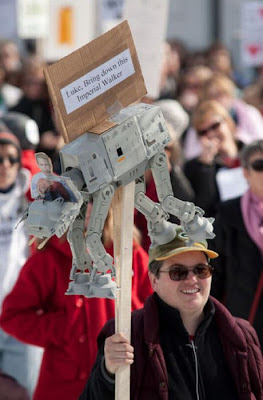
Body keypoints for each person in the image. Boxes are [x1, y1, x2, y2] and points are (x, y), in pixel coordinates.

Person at [79, 225, 263, 400]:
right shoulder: (126, 333)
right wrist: (107, 372)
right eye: (178, 272)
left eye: (201, 270)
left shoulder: (241, 335)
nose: (192, 279)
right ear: (154, 280)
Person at [0, 204, 153, 400]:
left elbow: (153, 309)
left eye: (95, 197)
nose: (89, 206)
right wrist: (67, 328)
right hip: (65, 387)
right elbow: (12, 316)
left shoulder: (130, 254)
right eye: (81, 198)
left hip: (125, 382)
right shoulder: (50, 259)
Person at [0, 131, 42, 397]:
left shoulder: (32, 199)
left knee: (25, 390)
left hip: (22, 313)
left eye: (11, 159)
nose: (4, 165)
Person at [210, 139, 263, 350]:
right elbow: (215, 271)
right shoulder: (229, 213)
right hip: (242, 323)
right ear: (246, 173)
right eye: (259, 166)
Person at [183, 99, 248, 217]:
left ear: (228, 122)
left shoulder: (252, 153)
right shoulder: (194, 168)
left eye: (215, 126)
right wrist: (205, 167)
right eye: (203, 132)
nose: (211, 134)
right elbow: (203, 210)